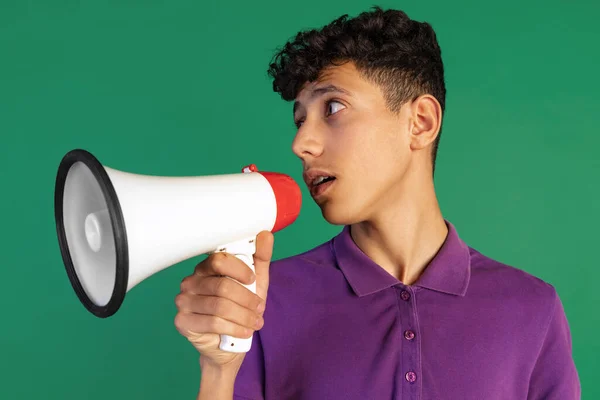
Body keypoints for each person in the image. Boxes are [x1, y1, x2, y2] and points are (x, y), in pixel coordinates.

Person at [174, 6, 581, 400]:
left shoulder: (532, 309)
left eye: (332, 107)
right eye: (300, 120)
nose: (301, 144)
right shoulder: (261, 301)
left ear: (420, 122)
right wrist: (218, 370)